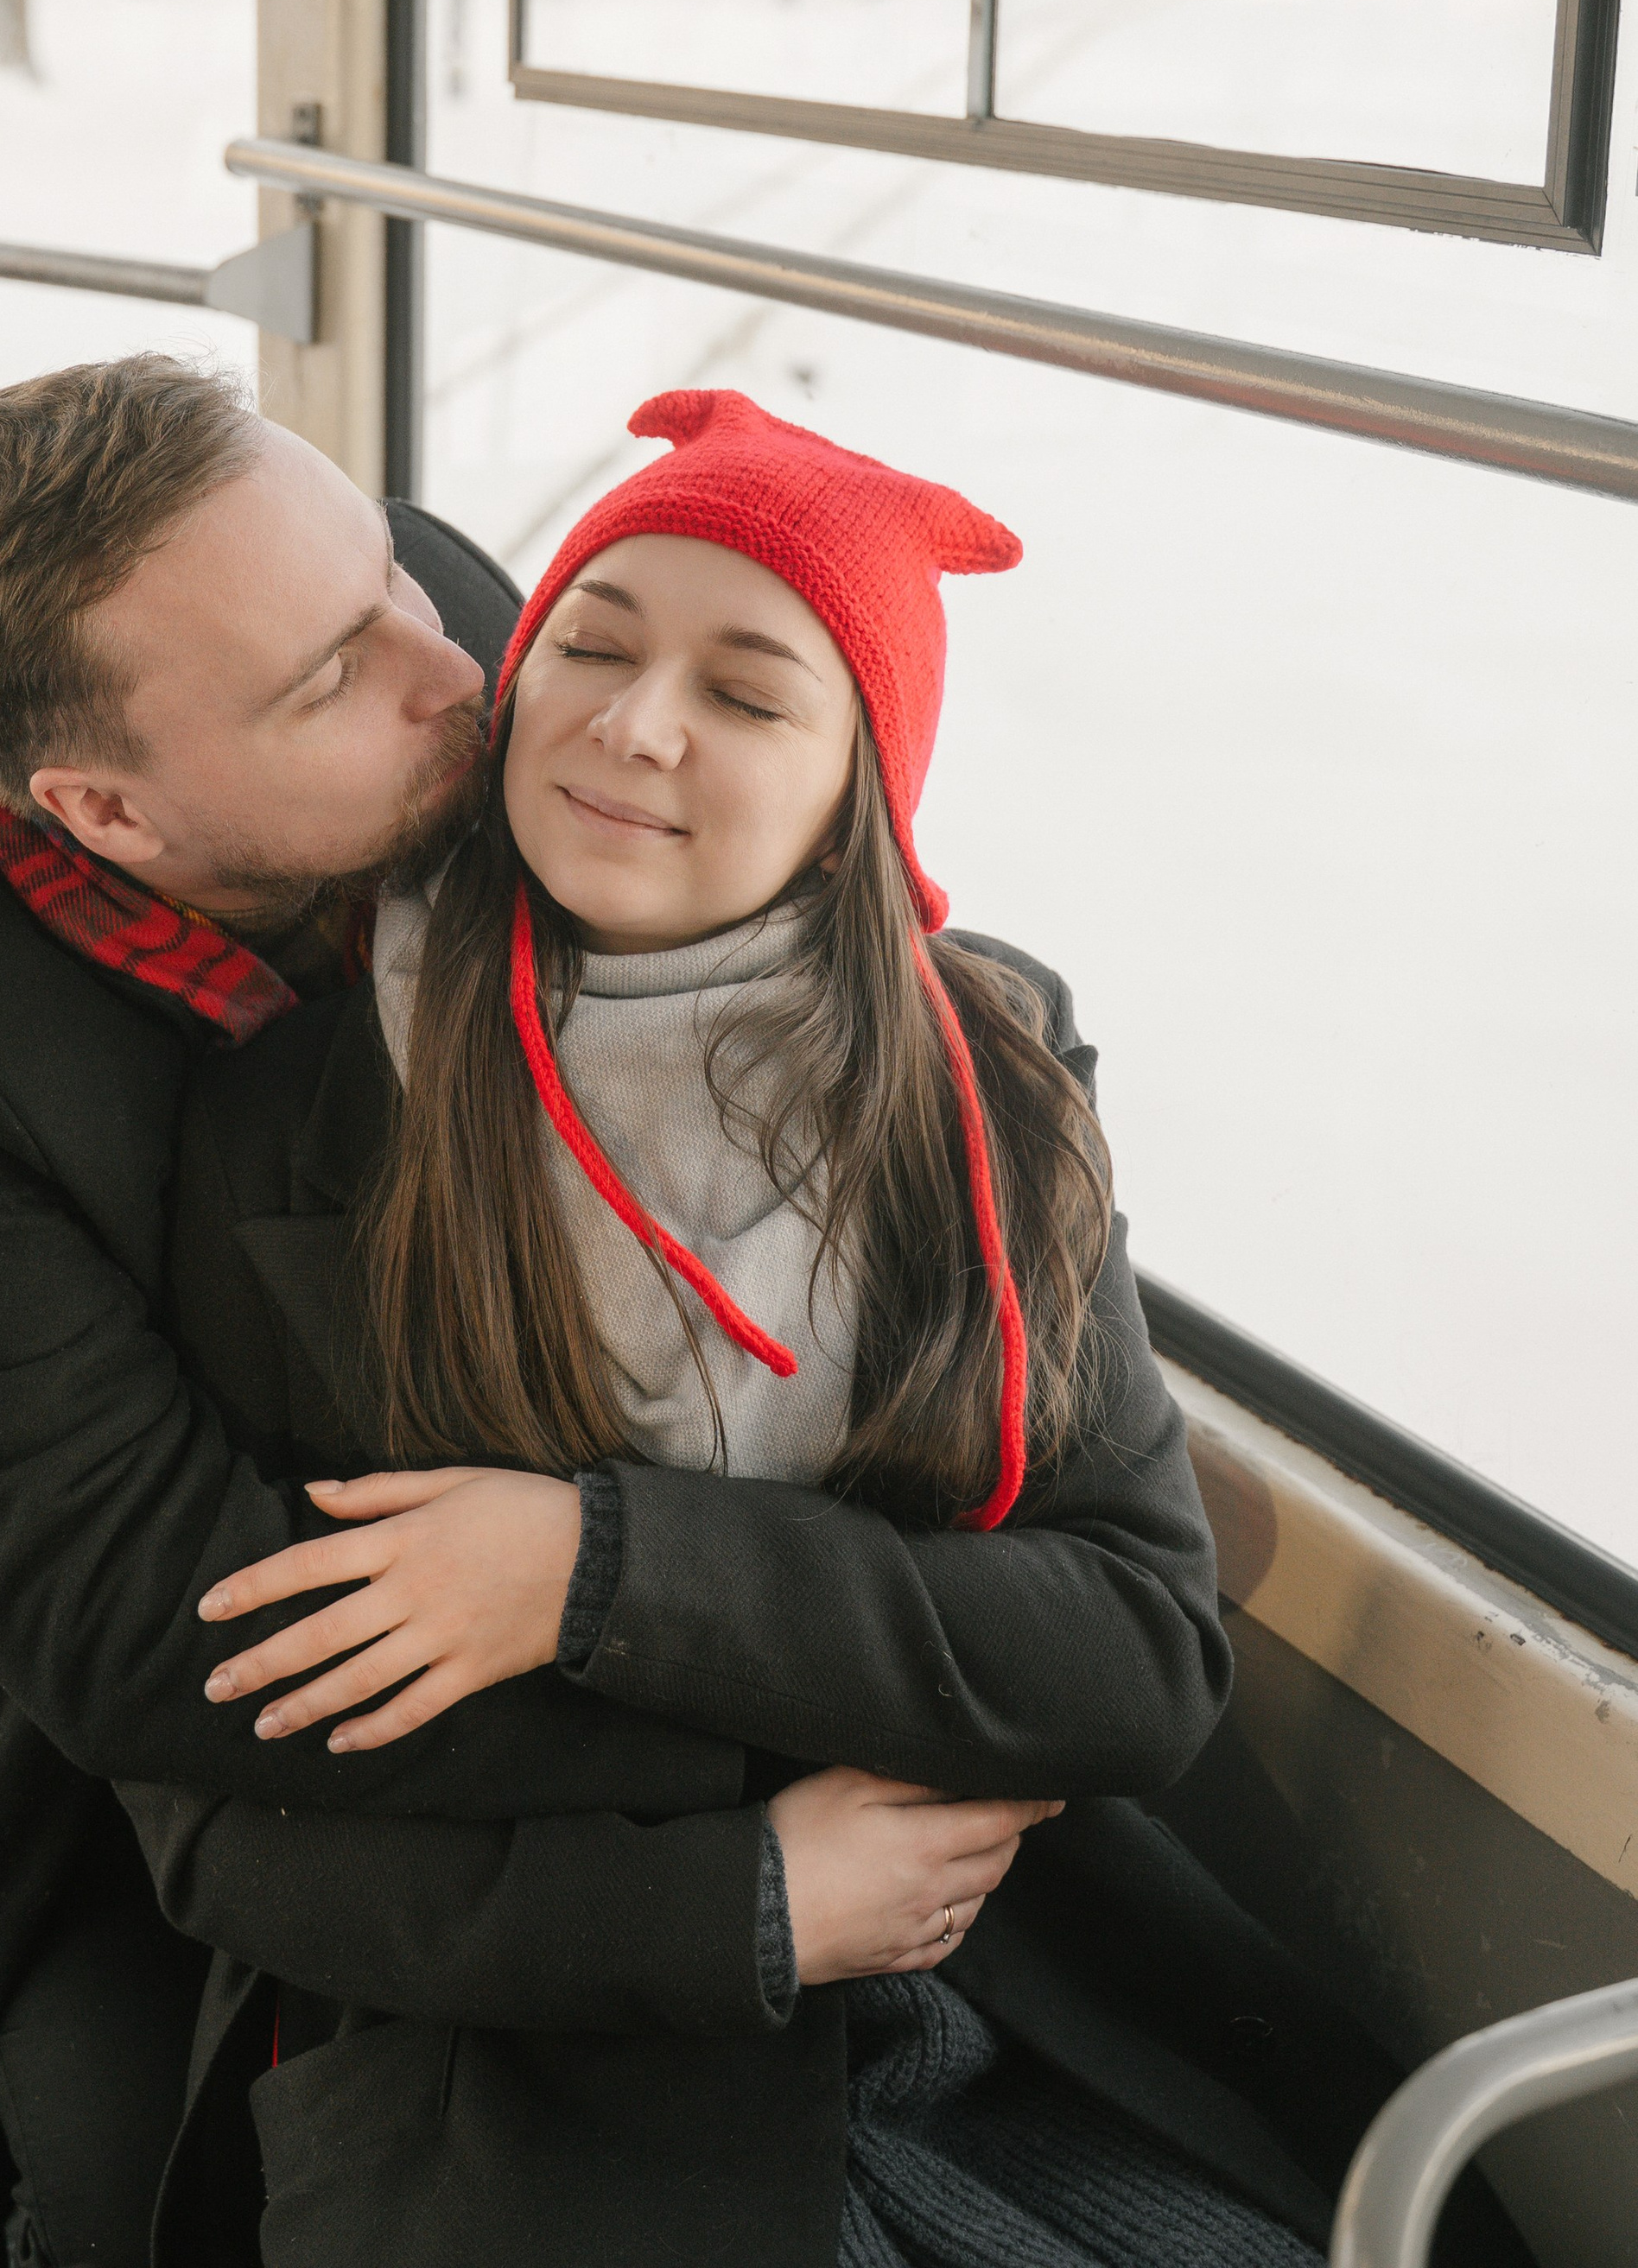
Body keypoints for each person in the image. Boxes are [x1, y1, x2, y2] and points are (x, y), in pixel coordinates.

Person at [124, 392, 1533, 2268]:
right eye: (592, 649)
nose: (636, 724)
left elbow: (1128, 1648)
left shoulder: (975, 1098)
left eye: (749, 691)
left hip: (990, 1988)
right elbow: (228, 1820)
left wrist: (593, 1571)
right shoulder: (300, 1131)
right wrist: (749, 1905)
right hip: (551, 2054)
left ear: (856, 787)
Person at [0, 354, 759, 2268]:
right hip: (130, 1681)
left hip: (536, 1508)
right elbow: (149, 1619)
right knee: (146, 2186)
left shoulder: (414, 613)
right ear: (104, 808)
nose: (458, 667)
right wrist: (740, 1844)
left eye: (383, 573)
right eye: (324, 681)